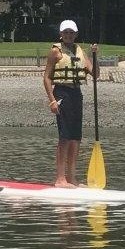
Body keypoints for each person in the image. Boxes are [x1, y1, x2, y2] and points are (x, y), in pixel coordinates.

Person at [43, 19, 98, 188]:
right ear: (61, 34)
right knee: (65, 137)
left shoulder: (81, 51)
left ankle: (72, 178)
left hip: (76, 94)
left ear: (76, 34)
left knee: (75, 137)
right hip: (62, 93)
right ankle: (60, 179)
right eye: (65, 32)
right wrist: (52, 100)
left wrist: (94, 55)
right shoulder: (55, 52)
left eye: (71, 32)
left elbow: (95, 74)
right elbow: (47, 78)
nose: (68, 35)